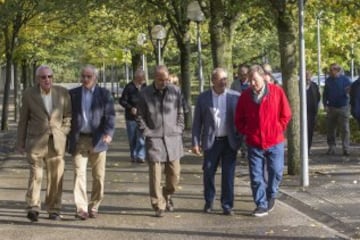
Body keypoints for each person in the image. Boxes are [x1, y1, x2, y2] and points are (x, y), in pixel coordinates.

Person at [16, 65, 72, 222]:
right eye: (43, 77)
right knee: (36, 175)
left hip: (56, 142)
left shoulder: (62, 93)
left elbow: (68, 116)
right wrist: (20, 143)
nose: (47, 79)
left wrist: (63, 131)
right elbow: (23, 121)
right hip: (36, 142)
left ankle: (54, 209)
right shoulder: (29, 94)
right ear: (37, 79)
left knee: (55, 177)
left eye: (49, 76)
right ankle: (33, 207)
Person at [235, 64, 291, 217]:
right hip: (254, 142)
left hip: (274, 141)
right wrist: (247, 132)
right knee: (256, 175)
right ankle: (261, 204)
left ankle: (271, 194)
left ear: (263, 77)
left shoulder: (276, 92)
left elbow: (286, 114)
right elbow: (239, 119)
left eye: (255, 80)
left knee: (276, 171)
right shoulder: (245, 96)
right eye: (250, 80)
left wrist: (278, 128)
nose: (252, 83)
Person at [67, 65, 116, 220]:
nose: (85, 79)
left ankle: (94, 205)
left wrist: (108, 133)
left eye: (89, 76)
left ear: (95, 78)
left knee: (98, 176)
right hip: (79, 139)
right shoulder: (73, 94)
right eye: (83, 76)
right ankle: (81, 208)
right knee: (79, 173)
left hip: (98, 139)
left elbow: (110, 116)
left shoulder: (104, 94)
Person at [192, 67, 241, 216]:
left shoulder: (235, 96)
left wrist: (241, 139)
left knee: (228, 174)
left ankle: (227, 205)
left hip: (229, 141)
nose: (223, 82)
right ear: (212, 80)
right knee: (208, 171)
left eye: (225, 79)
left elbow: (241, 120)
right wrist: (195, 142)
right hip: (211, 141)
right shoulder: (203, 98)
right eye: (220, 79)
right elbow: (197, 123)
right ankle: (209, 201)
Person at [136, 65, 184, 217]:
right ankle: (158, 205)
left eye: (166, 79)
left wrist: (179, 128)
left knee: (174, 177)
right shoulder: (145, 94)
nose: (164, 82)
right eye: (160, 79)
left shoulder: (175, 91)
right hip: (155, 140)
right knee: (155, 176)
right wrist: (147, 132)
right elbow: (139, 116)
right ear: (154, 78)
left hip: (173, 139)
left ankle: (167, 194)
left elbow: (181, 111)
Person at [322, 63, 351, 156]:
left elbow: (350, 91)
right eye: (330, 70)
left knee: (345, 129)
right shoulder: (328, 81)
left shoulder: (345, 80)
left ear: (337, 70)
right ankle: (332, 147)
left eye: (332, 70)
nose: (330, 72)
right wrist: (325, 104)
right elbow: (325, 93)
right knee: (330, 129)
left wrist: (348, 94)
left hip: (343, 107)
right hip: (331, 108)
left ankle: (346, 148)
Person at [119, 68, 146, 163]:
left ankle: (141, 156)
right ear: (136, 78)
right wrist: (130, 108)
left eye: (143, 78)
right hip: (131, 117)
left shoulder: (145, 87)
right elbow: (122, 101)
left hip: (142, 117)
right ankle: (133, 155)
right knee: (132, 138)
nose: (143, 80)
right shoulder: (129, 87)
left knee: (141, 137)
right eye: (141, 78)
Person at [306, 70, 321, 153]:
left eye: (309, 75)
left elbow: (318, 97)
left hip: (311, 113)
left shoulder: (314, 86)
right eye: (306, 75)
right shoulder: (298, 85)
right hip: (301, 113)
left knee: (310, 131)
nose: (307, 76)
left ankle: (308, 148)